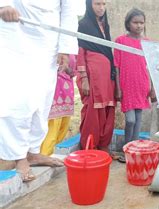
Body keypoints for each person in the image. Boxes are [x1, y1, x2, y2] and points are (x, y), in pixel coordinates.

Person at [0, 0, 78, 182]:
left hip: (47, 39)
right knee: (18, 100)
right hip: (14, 33)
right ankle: (18, 157)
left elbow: (68, 10)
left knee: (42, 100)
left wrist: (65, 48)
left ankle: (33, 152)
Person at [114, 8, 156, 162]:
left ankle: (133, 152)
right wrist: (118, 88)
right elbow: (116, 66)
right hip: (126, 85)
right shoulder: (120, 41)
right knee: (130, 120)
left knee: (138, 120)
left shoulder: (147, 43)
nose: (139, 26)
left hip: (142, 83)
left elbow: (151, 67)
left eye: (141, 23)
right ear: (128, 23)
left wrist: (152, 87)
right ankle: (127, 148)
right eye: (135, 22)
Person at [77, 0, 116, 152]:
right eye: (97, 4)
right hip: (93, 77)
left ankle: (103, 145)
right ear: (89, 5)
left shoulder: (105, 26)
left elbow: (110, 53)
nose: (101, 8)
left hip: (107, 78)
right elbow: (81, 53)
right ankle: (90, 146)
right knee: (93, 112)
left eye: (104, 4)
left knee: (108, 109)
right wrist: (84, 79)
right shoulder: (84, 25)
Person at [40, 55, 77, 156]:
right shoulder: (51, 48)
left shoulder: (71, 51)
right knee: (52, 129)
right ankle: (44, 157)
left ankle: (51, 155)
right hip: (53, 92)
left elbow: (73, 72)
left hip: (66, 93)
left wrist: (67, 68)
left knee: (62, 129)